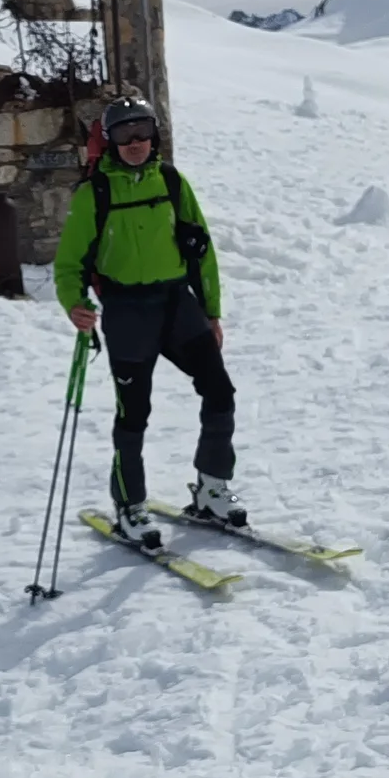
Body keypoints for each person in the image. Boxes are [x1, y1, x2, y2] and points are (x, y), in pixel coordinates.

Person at [52, 96, 242, 551]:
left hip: (178, 305)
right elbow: (68, 264)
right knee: (133, 413)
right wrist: (74, 304)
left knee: (220, 392)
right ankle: (130, 506)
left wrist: (211, 310)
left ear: (154, 136)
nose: (135, 143)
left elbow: (201, 249)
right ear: (109, 141)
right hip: (127, 311)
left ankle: (212, 487)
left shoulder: (172, 183)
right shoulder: (94, 193)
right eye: (123, 134)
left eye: (142, 132)